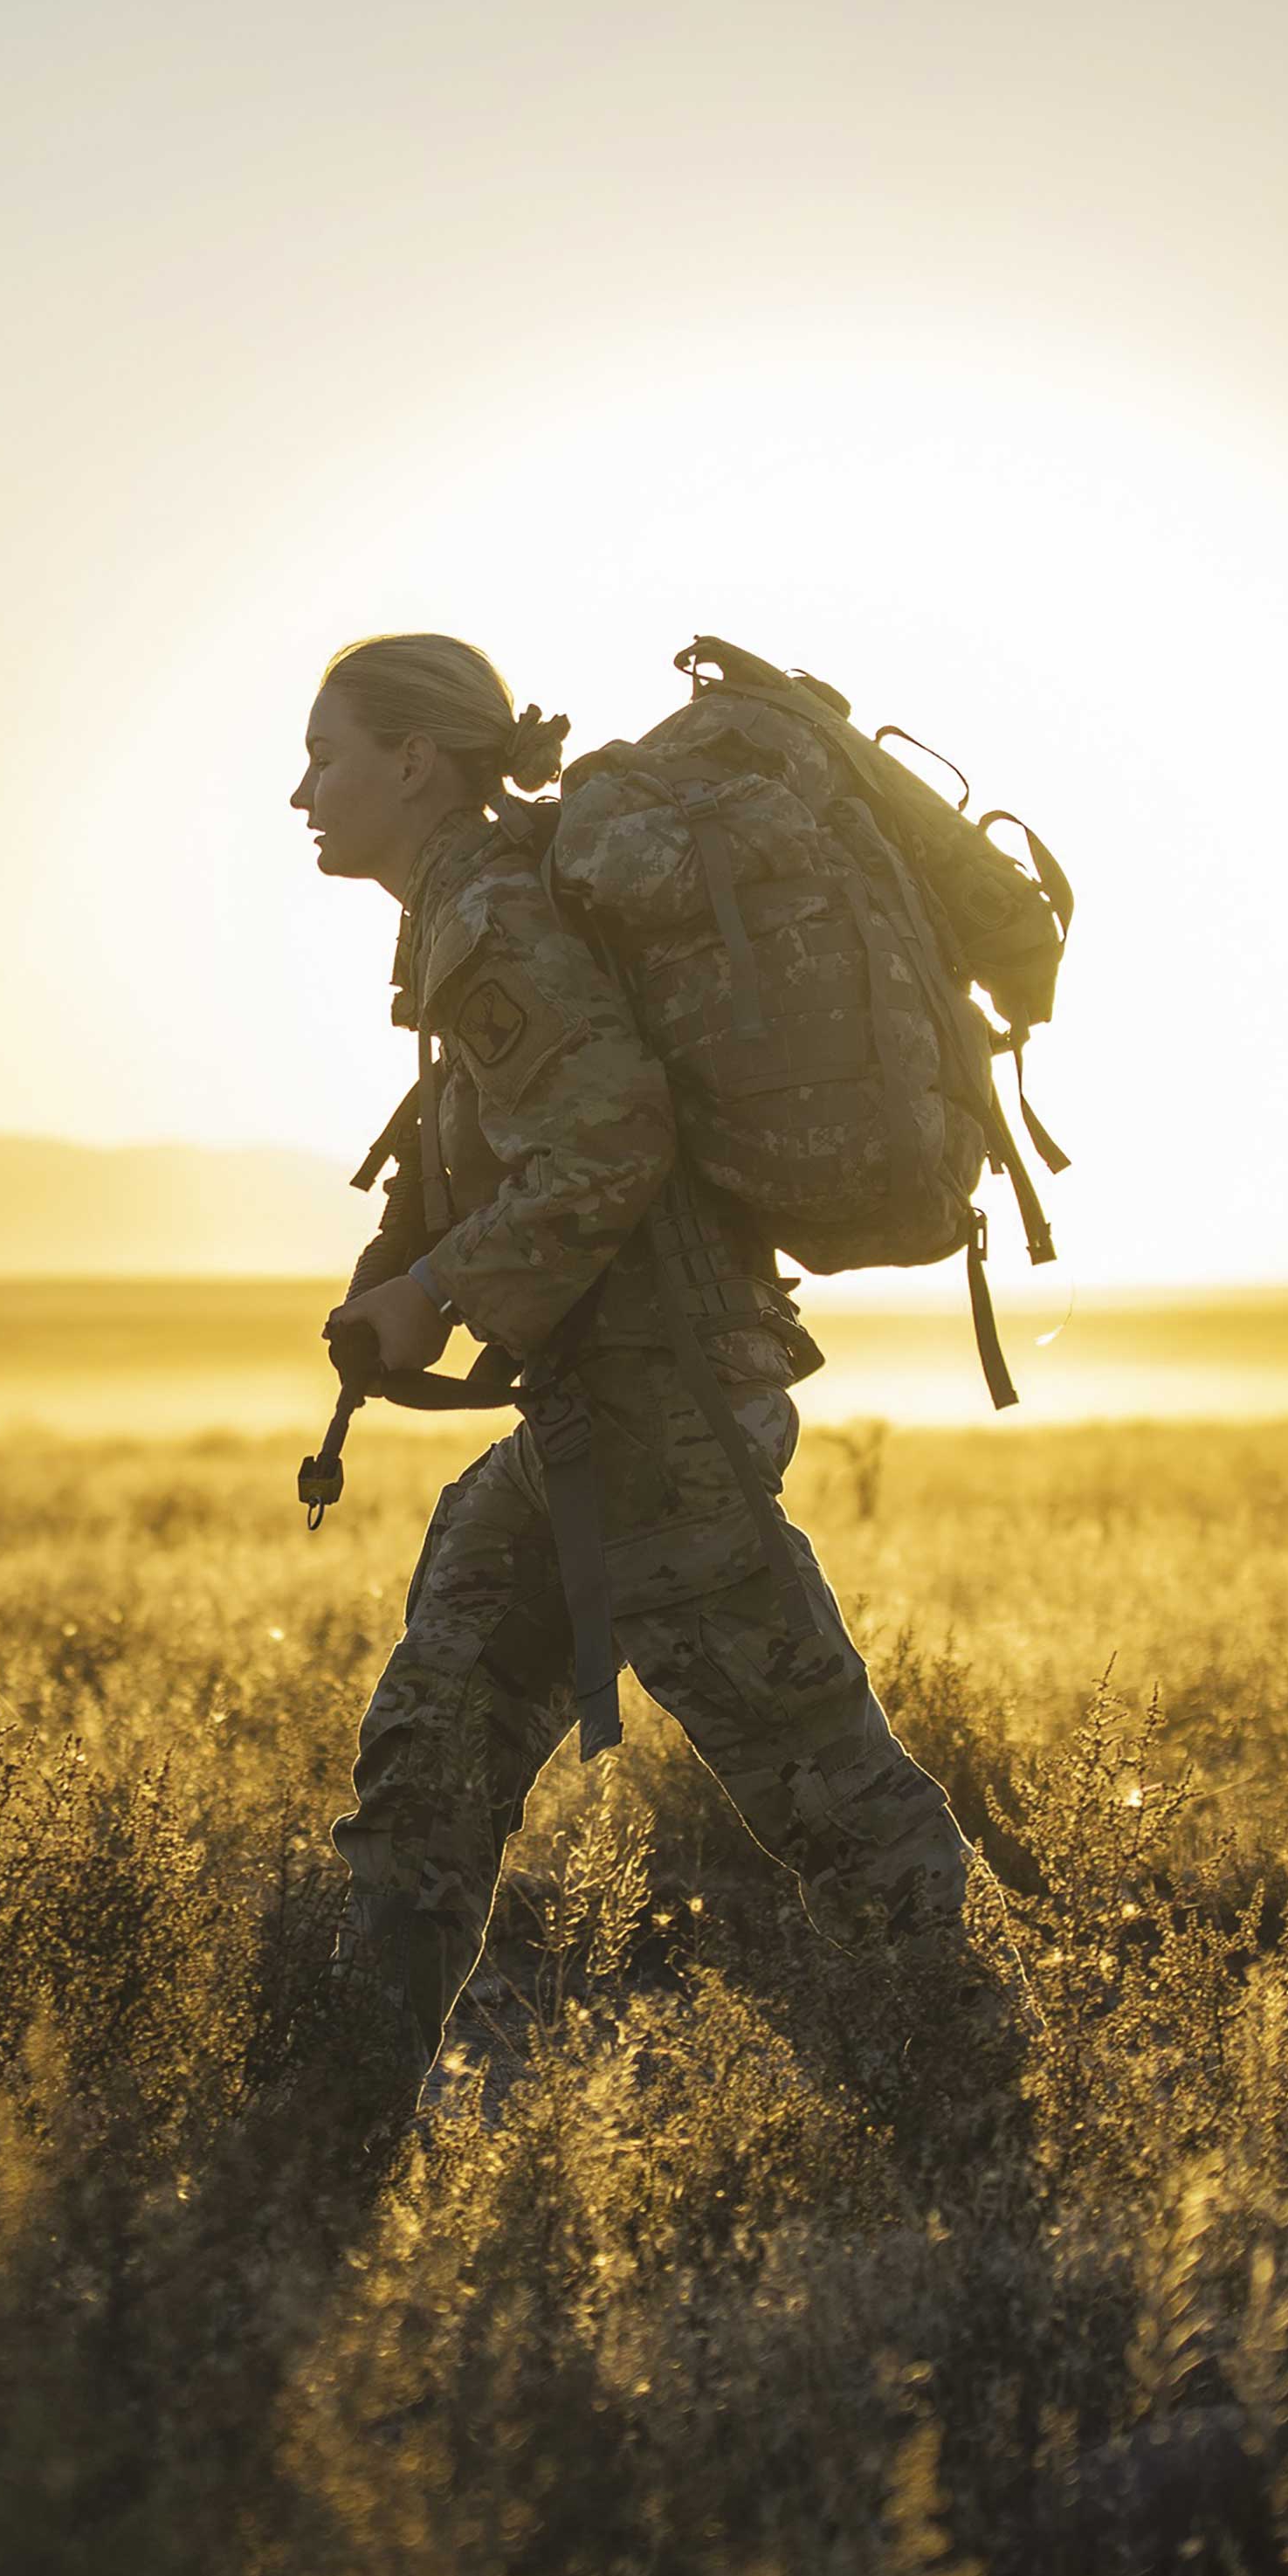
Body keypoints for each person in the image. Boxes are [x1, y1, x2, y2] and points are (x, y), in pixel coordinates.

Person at [293, 630, 990, 2127]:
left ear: (416, 760)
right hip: (602, 1417)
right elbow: (527, 1122)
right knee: (433, 1746)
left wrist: (440, 1291)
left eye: (328, 755)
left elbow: (608, 1135)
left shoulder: (486, 906)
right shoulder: (474, 906)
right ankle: (325, 2138)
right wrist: (407, 1246)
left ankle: (1002, 2115)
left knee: (830, 1794)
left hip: (658, 1415)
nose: (303, 792)